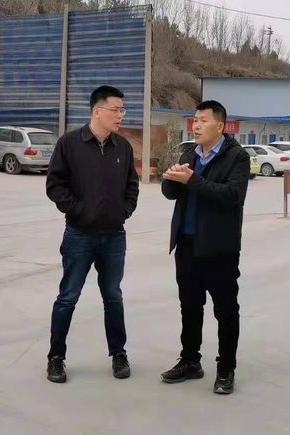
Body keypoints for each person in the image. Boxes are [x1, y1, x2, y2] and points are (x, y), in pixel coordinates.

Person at [44, 85, 139, 383]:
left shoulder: (123, 147)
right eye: (115, 109)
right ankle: (56, 358)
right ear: (97, 111)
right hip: (79, 236)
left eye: (122, 110)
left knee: (113, 296)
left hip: (114, 237)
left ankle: (118, 353)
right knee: (68, 297)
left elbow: (132, 185)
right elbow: (55, 185)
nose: (120, 115)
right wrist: (78, 211)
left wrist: (124, 211)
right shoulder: (69, 143)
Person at [160, 100, 250, 395]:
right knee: (189, 306)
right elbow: (172, 193)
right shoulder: (190, 153)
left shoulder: (236, 156)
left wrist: (192, 180)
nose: (196, 125)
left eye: (202, 120)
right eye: (194, 120)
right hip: (186, 244)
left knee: (225, 310)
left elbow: (232, 196)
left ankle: (226, 368)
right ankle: (190, 360)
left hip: (219, 247)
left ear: (220, 126)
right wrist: (171, 179)